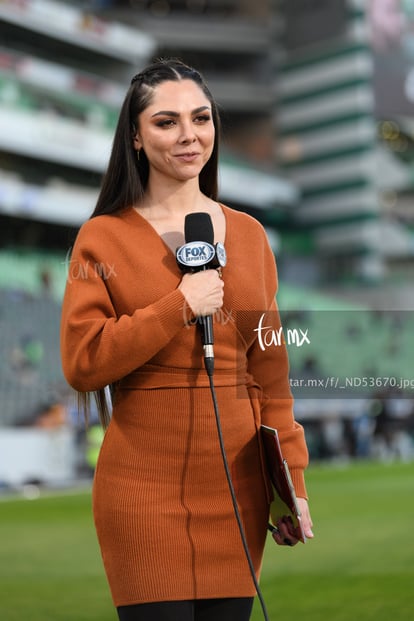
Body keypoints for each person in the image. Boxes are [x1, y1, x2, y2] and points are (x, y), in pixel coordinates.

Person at [60, 58, 313, 621]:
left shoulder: (250, 236)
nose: (189, 135)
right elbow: (83, 362)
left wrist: (290, 480)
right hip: (142, 489)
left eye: (200, 118)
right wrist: (179, 305)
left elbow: (271, 373)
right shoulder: (100, 239)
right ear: (136, 136)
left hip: (238, 486)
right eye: (166, 122)